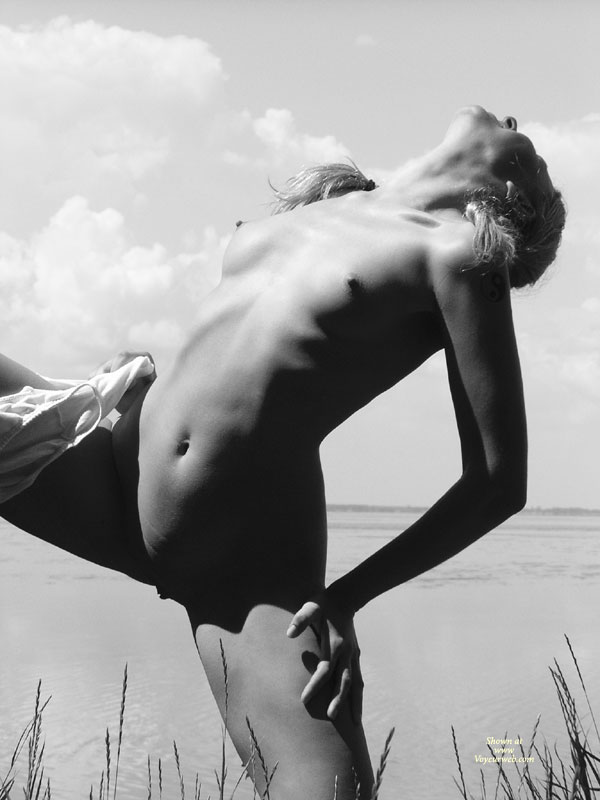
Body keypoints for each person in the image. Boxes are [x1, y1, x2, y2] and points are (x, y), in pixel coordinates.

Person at [1, 106, 565, 799]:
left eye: (543, 169)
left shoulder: (458, 255)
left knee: (333, 789)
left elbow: (499, 482)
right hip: (115, 471)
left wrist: (347, 598)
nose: (513, 120)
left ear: (515, 199)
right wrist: (152, 385)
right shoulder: (337, 198)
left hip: (246, 567)